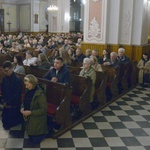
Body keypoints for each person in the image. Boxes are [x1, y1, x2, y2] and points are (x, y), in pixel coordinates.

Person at [20, 74, 48, 144]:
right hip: (29, 117)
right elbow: (24, 101)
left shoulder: (40, 94)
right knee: (30, 137)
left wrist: (31, 112)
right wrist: (22, 107)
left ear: (33, 83)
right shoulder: (28, 90)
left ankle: (45, 132)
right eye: (25, 85)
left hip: (37, 119)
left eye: (27, 85)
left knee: (34, 141)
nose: (26, 87)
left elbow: (43, 110)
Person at [1, 61, 23, 129]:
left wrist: (9, 102)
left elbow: (17, 94)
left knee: (8, 123)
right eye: (4, 71)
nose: (5, 73)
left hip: (14, 102)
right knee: (4, 121)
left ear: (11, 69)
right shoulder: (5, 78)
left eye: (6, 71)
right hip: (7, 101)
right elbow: (3, 90)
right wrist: (5, 101)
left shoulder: (17, 80)